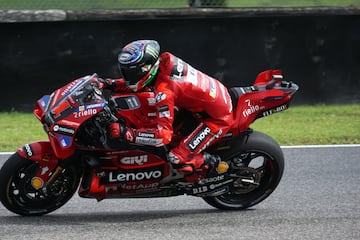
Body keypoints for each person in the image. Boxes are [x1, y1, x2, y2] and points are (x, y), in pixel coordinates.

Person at [103, 40, 233, 175]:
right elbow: (140, 82)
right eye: (124, 71)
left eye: (131, 72)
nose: (126, 77)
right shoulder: (163, 62)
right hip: (202, 105)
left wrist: (128, 133)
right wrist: (109, 84)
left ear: (146, 68)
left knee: (176, 158)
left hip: (217, 118)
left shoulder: (165, 92)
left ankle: (215, 164)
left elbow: (163, 137)